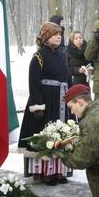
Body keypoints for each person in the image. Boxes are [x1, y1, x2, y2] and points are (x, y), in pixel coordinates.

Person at [18, 21, 73, 184]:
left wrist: (70, 98)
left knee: (61, 134)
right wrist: (37, 106)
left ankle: (59, 172)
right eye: (54, 34)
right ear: (45, 37)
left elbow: (67, 78)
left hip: (61, 100)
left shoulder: (62, 55)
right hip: (46, 102)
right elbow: (33, 83)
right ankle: (45, 173)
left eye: (60, 34)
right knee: (47, 135)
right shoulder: (39, 56)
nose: (58, 36)